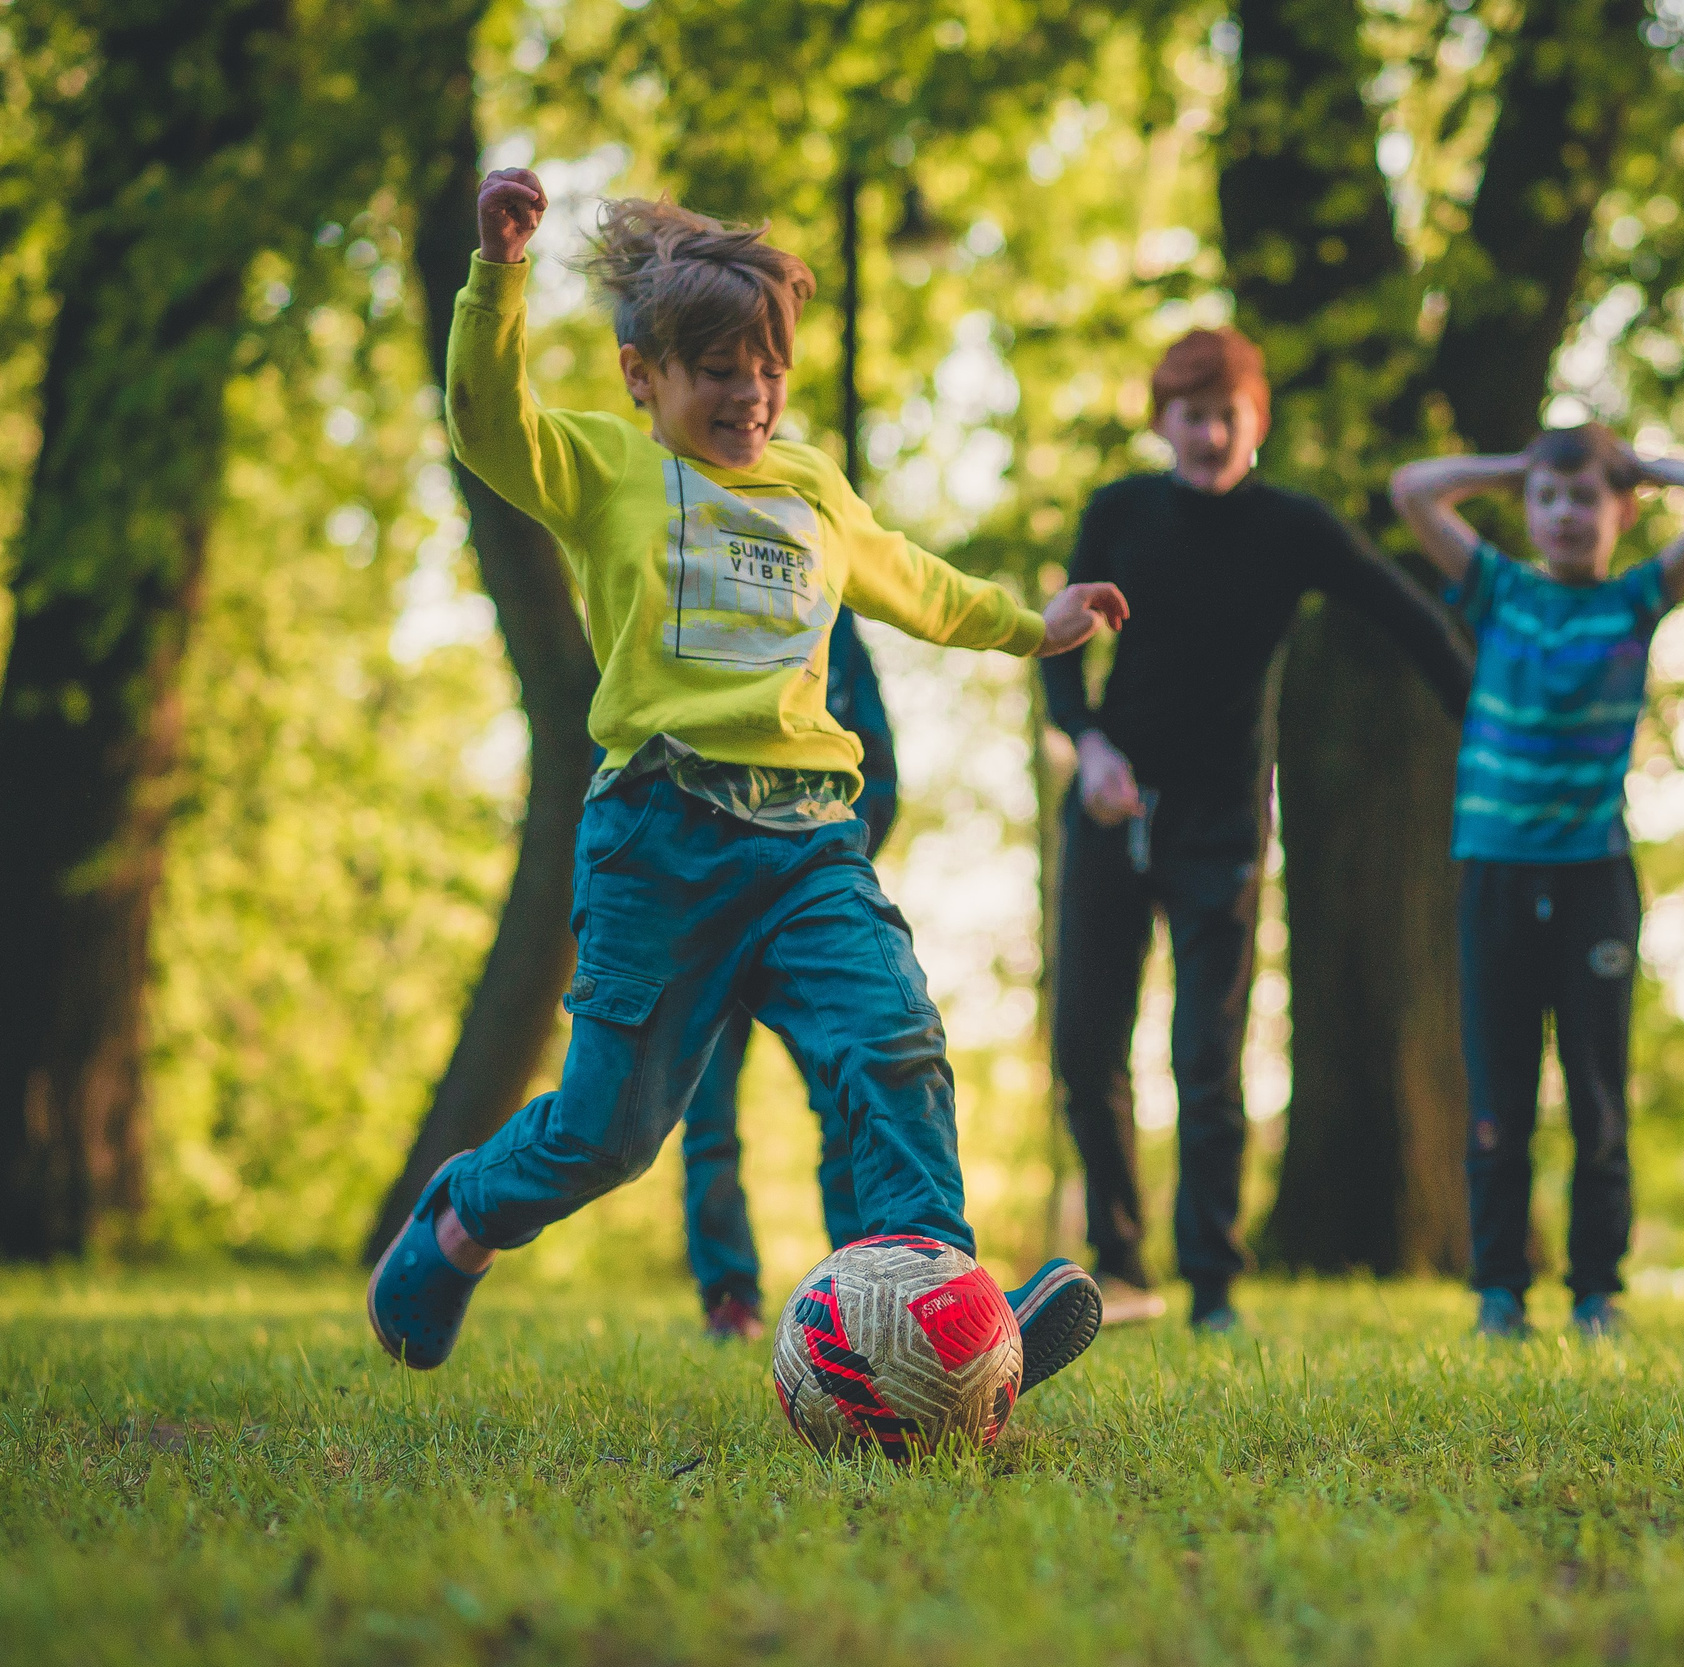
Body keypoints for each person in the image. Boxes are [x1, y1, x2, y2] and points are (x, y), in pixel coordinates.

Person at [367, 169, 1128, 1393]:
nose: (750, 394)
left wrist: (1030, 627)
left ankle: (942, 1300)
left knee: (890, 1041)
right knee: (608, 1135)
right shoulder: (609, 473)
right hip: (657, 841)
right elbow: (485, 420)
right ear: (643, 377)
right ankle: (459, 1220)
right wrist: (498, 272)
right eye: (718, 370)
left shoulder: (813, 488)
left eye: (767, 368)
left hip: (810, 841)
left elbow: (911, 578)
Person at [1044, 328, 1476, 1334]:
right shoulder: (1119, 512)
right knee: (1085, 1048)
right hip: (1112, 805)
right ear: (1162, 421)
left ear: (1255, 422)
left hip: (1223, 821)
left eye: (1223, 416)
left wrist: (1488, 722)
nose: (1205, 435)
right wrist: (1088, 746)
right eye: (1188, 416)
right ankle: (1120, 1265)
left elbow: (1408, 615)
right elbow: (1059, 651)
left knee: (1207, 1054)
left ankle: (1213, 1285)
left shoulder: (1292, 528)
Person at [1390, 423, 1684, 1340]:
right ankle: (1500, 1291)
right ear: (1527, 508)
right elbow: (1412, 488)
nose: (1564, 512)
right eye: (1548, 498)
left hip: (1594, 875)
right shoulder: (1499, 589)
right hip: (1496, 874)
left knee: (1596, 1093)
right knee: (1499, 1097)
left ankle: (1598, 1291)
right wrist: (1518, 463)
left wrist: (1641, 466)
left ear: (1620, 510)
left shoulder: (1638, 598)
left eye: (1586, 496)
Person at [680, 612, 901, 1341]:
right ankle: (729, 1297)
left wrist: (826, 871)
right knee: (706, 1119)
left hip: (805, 912)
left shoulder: (839, 636)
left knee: (844, 1104)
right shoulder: (692, 610)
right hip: (701, 911)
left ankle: (858, 1283)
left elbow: (882, 775)